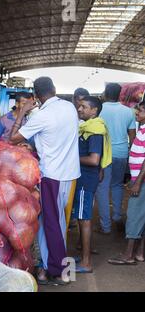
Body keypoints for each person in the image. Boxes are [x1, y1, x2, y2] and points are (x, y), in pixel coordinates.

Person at [9, 77, 81, 285]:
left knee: (52, 223)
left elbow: (12, 139)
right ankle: (53, 267)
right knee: (59, 221)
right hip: (70, 173)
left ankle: (59, 272)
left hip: (52, 174)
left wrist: (22, 112)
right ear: (54, 89)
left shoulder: (41, 116)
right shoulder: (69, 107)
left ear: (36, 95)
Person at [72, 96, 112, 273]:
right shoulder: (87, 128)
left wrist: (70, 159)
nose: (80, 109)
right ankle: (83, 256)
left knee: (84, 219)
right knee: (82, 217)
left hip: (85, 179)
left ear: (94, 111)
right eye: (79, 106)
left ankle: (86, 262)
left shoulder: (95, 130)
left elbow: (94, 159)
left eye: (84, 107)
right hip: (86, 178)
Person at [96, 83, 137, 235]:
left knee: (102, 187)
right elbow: (132, 136)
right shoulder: (128, 112)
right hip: (122, 153)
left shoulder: (99, 110)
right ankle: (117, 216)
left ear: (105, 93)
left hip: (103, 154)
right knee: (118, 185)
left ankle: (105, 226)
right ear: (120, 94)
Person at [108, 101, 145, 265]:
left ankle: (128, 254)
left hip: (142, 181)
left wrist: (137, 182)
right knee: (142, 216)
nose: (136, 113)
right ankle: (139, 253)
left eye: (140, 111)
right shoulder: (142, 129)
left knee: (134, 216)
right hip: (139, 178)